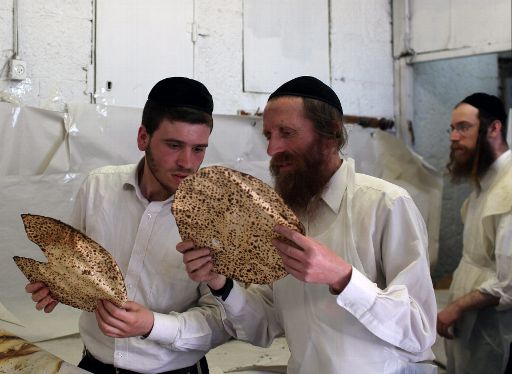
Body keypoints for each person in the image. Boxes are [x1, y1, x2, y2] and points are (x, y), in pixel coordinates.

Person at [178, 76, 437, 373]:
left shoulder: (386, 204)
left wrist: (343, 277)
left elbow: (419, 328)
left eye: (286, 133)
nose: (272, 149)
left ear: (331, 133)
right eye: (269, 135)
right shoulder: (283, 216)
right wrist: (220, 283)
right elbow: (265, 324)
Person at [25, 77, 231, 374]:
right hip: (95, 364)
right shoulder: (98, 187)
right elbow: (75, 265)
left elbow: (223, 319)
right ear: (143, 138)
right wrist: (58, 283)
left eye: (198, 149)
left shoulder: (213, 218)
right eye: (174, 145)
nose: (187, 162)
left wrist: (152, 325)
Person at [437, 92, 511, 373]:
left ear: (494, 128)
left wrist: (456, 307)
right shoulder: (484, 184)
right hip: (472, 329)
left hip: (496, 330)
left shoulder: (509, 186)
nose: (454, 137)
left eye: (464, 127)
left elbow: (509, 283)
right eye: (452, 128)